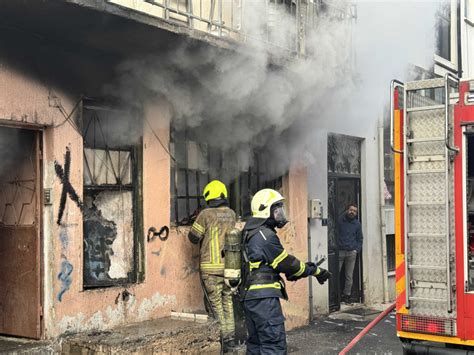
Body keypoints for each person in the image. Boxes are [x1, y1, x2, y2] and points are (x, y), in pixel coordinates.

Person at [241, 188, 331, 354]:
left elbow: (280, 265)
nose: (280, 214)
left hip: (251, 298)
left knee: (256, 345)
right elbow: (289, 265)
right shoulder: (265, 236)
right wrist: (315, 271)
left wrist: (304, 269)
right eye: (277, 209)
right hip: (264, 300)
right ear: (265, 210)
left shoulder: (249, 232)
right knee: (273, 345)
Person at [188, 180, 237, 352]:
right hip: (230, 268)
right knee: (227, 302)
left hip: (210, 269)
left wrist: (196, 221)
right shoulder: (231, 214)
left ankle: (220, 341)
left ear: (209, 196)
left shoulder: (205, 214)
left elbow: (193, 237)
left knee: (215, 304)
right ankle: (230, 339)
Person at [337, 203, 363, 305]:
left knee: (349, 276)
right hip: (340, 251)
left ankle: (346, 296)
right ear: (347, 210)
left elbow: (360, 238)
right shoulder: (339, 221)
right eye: (351, 210)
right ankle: (336, 296)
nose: (352, 212)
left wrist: (356, 249)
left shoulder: (357, 224)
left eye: (355, 211)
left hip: (351, 252)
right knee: (336, 274)